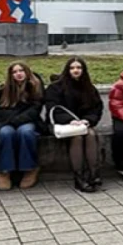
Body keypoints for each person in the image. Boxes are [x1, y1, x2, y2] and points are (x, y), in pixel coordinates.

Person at [45, 57, 103, 193]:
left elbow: (96, 108)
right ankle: (79, 177)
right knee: (77, 137)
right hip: (62, 124)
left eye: (79, 68)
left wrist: (87, 120)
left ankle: (93, 174)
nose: (76, 70)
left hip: (83, 124)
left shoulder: (89, 87)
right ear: (67, 70)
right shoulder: (55, 87)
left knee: (90, 134)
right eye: (72, 68)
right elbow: (52, 108)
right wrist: (69, 120)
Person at [0, 61, 45, 190]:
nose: (18, 74)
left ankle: (29, 169)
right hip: (5, 123)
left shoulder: (35, 87)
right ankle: (4, 170)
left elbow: (35, 110)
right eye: (14, 72)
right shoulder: (1, 90)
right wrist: (10, 119)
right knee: (6, 133)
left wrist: (16, 120)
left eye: (21, 70)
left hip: (28, 122)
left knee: (25, 132)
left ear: (27, 72)